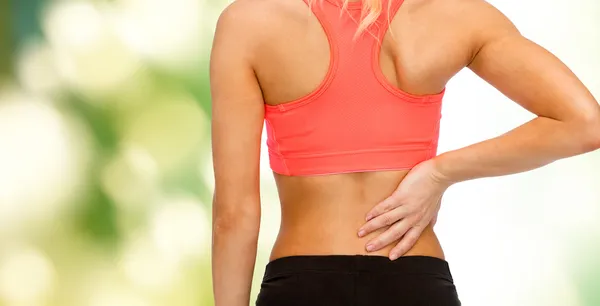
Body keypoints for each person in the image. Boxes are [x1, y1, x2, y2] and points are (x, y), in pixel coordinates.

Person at [209, 0, 600, 304]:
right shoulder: (452, 15)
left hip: (301, 285)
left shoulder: (250, 21)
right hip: (415, 281)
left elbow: (235, 214)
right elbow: (585, 122)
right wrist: (439, 173)